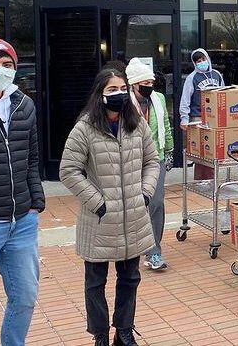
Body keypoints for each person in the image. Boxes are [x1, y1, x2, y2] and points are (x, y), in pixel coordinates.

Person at [59, 68, 159, 346]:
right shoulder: (85, 128)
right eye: (111, 90)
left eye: (122, 88)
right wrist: (97, 202)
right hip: (100, 220)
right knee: (95, 282)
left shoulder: (136, 124)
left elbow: (152, 161)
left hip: (133, 218)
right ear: (99, 94)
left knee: (130, 279)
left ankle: (124, 331)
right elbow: (68, 171)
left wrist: (146, 193)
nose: (119, 94)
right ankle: (100, 334)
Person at [0, 36, 45, 346]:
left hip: (21, 221)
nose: (0, 70)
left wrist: (35, 201)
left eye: (6, 65)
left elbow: (32, 158)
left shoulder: (24, 105)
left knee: (24, 297)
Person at [125, 58, 173, 271]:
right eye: (144, 83)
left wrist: (170, 151)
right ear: (134, 85)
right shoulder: (124, 102)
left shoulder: (159, 99)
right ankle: (133, 247)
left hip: (157, 158)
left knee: (156, 203)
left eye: (151, 83)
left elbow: (165, 125)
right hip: (132, 159)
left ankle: (154, 251)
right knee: (136, 205)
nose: (149, 87)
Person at [179, 48, 224, 179]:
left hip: (214, 118)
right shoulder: (191, 78)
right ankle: (199, 180)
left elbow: (223, 93)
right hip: (197, 117)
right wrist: (184, 118)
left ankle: (211, 179)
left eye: (203, 59)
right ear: (194, 63)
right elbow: (185, 99)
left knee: (212, 151)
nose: (202, 62)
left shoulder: (217, 75)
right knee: (200, 152)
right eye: (198, 61)